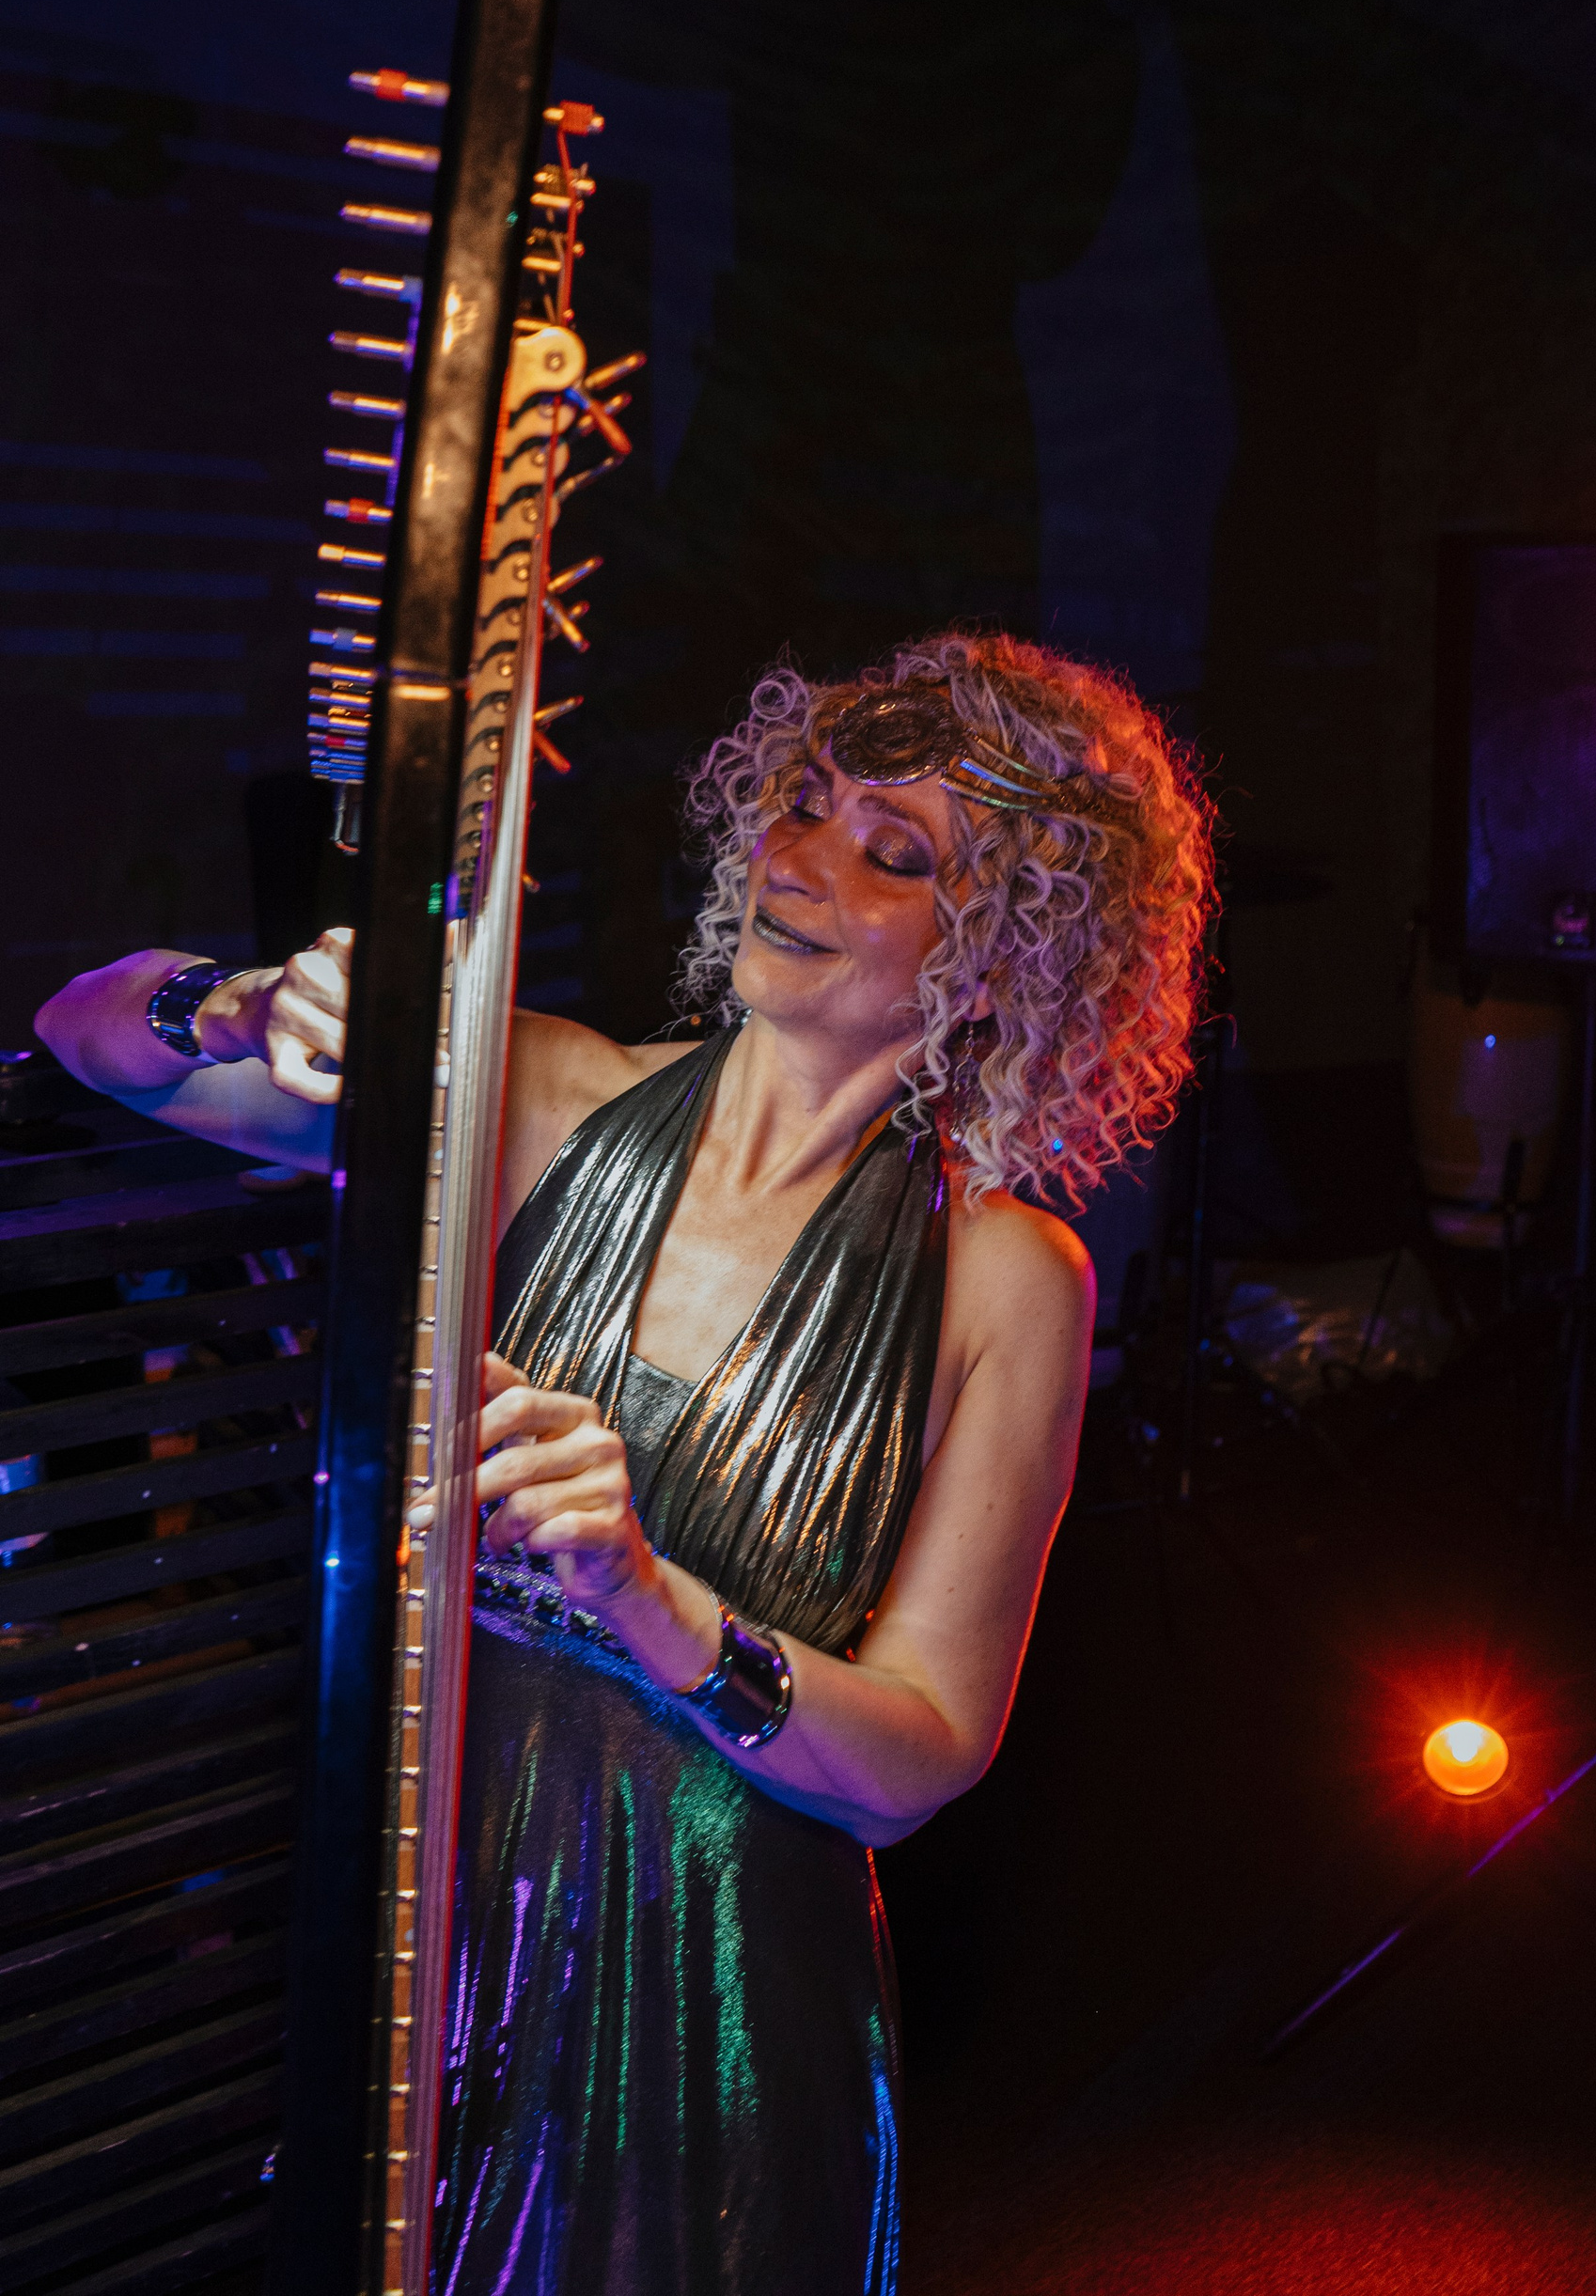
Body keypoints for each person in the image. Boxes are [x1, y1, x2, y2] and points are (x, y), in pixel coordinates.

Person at [38, 630, 1214, 2296]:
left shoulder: (1009, 1282)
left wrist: (649, 1600)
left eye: (893, 854)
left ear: (1000, 958)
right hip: (429, 1940)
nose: (801, 860)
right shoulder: (535, 1093)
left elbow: (925, 1758)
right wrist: (225, 1002)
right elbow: (78, 1029)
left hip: (722, 2011)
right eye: (804, 805)